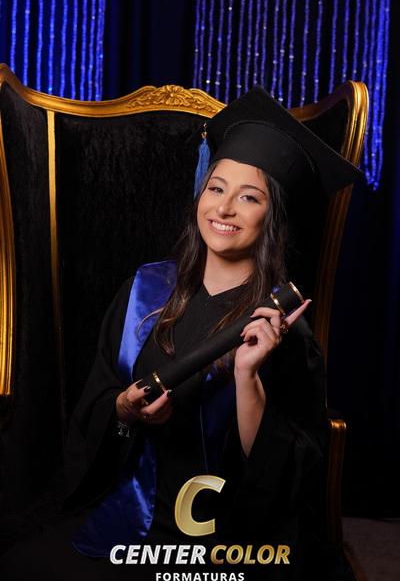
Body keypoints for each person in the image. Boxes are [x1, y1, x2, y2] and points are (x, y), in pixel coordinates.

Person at [0, 86, 362, 580]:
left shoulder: (280, 330)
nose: (224, 208)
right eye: (216, 188)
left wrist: (248, 379)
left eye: (249, 197)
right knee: (21, 566)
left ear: (272, 216)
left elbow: (288, 478)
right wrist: (123, 409)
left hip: (226, 538)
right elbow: (96, 405)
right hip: (136, 519)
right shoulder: (144, 292)